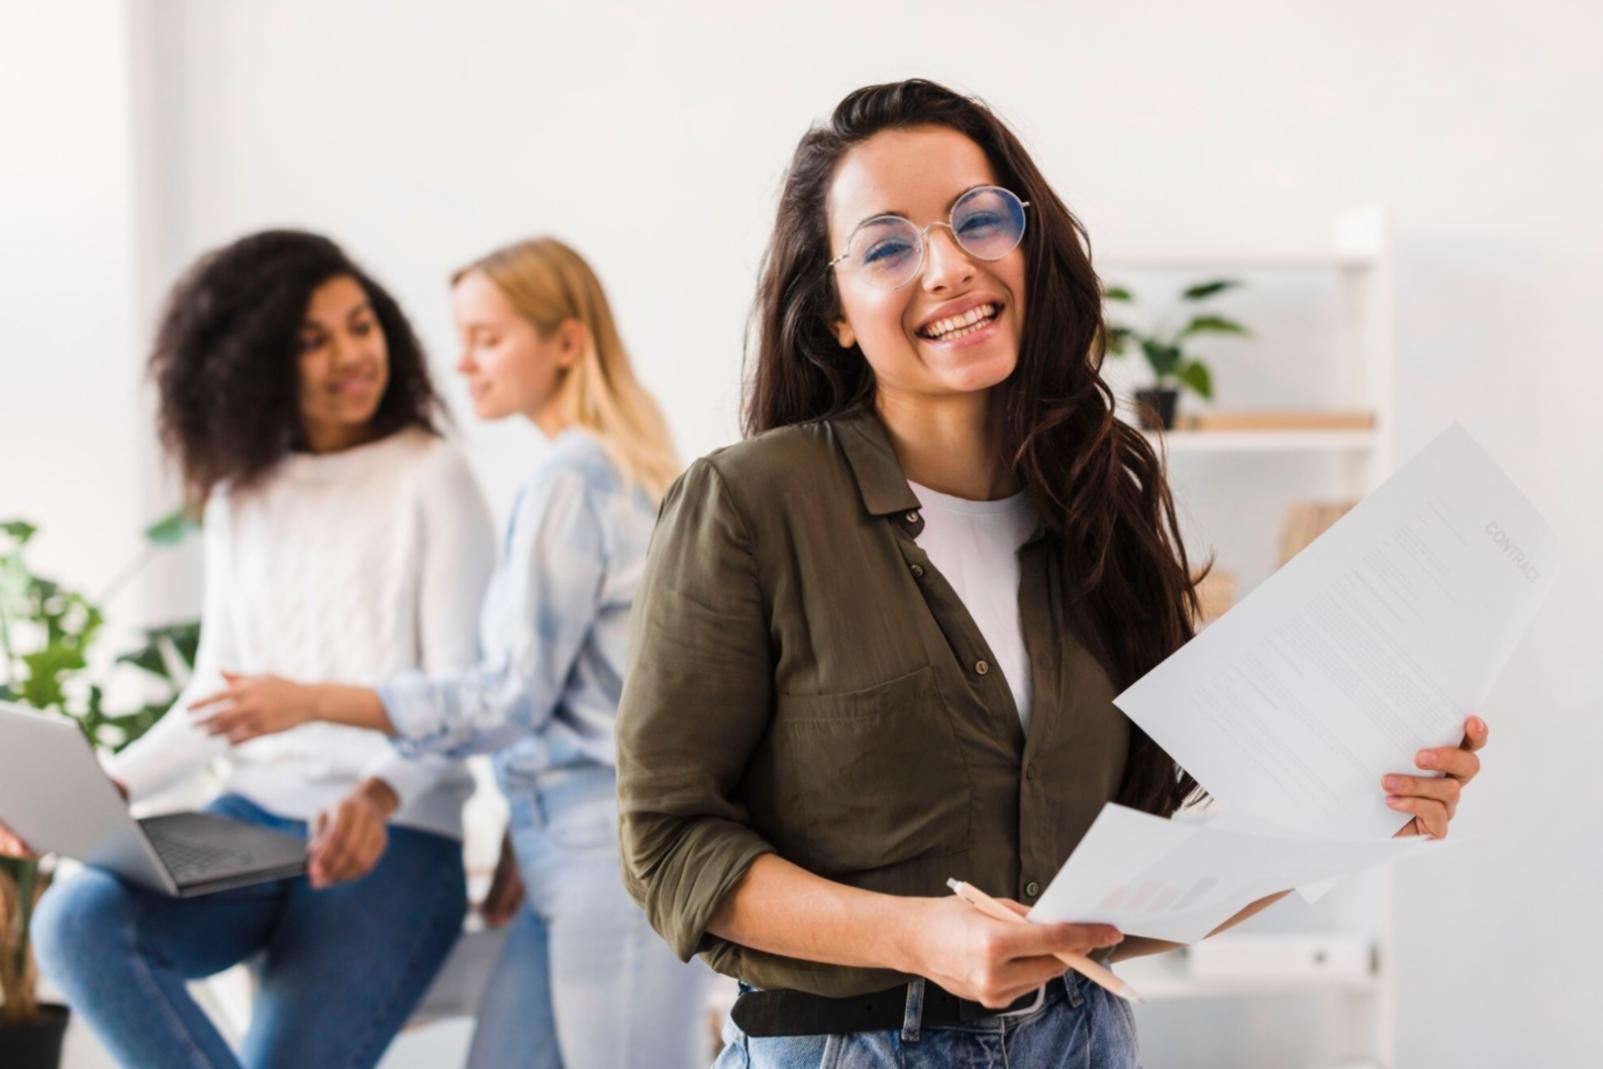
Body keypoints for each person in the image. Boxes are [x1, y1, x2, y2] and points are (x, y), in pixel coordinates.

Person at [610, 79, 1491, 1067]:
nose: (949, 265)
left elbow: (1114, 906)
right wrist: (917, 936)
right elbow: (668, 845)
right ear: (836, 316)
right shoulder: (749, 503)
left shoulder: (1098, 500)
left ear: (1029, 247)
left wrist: (1357, 813)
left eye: (978, 220)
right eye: (887, 247)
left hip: (1082, 1039)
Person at [191, 237, 712, 1069]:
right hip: (562, 842)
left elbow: (509, 695)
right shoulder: (598, 472)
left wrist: (316, 699)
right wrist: (518, 827)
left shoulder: (573, 480)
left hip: (609, 855)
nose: (461, 361)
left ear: (565, 343)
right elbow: (576, 698)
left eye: (487, 338)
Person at [0, 230, 496, 1068]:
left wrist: (377, 795)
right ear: (257, 361)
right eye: (313, 340)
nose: (353, 354)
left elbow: (463, 694)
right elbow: (215, 699)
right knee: (74, 922)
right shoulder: (241, 493)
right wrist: (110, 786)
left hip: (395, 832)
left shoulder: (431, 476)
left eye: (360, 325)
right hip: (250, 823)